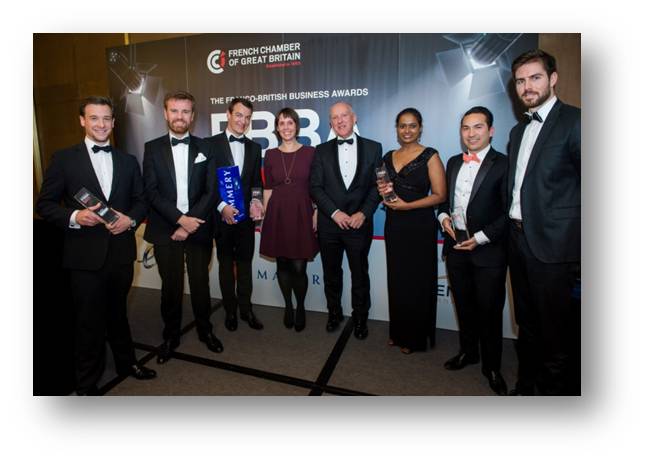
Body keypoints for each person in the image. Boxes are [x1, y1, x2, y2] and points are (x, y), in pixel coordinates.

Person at [36, 96, 156, 395]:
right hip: (84, 256)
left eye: (106, 118)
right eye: (94, 118)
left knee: (119, 313)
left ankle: (127, 363)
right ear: (82, 121)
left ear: (113, 122)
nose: (101, 124)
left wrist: (130, 220)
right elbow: (45, 204)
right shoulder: (64, 159)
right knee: (88, 321)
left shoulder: (128, 161)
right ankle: (87, 381)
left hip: (121, 252)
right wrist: (75, 216)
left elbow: (141, 201)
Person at [507, 49, 580, 395]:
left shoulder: (576, 121)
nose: (527, 87)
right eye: (520, 81)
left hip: (554, 246)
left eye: (535, 78)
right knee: (527, 323)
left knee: (556, 332)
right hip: (518, 241)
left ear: (553, 79)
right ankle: (526, 386)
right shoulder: (517, 131)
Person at [143, 91, 222, 364]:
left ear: (193, 115)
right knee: (171, 286)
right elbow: (151, 192)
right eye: (175, 111)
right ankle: (171, 336)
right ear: (165, 114)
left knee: (200, 283)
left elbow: (212, 191)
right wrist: (179, 219)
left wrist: (189, 224)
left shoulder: (206, 148)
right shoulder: (152, 148)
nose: (180, 116)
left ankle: (205, 330)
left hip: (198, 226)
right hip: (166, 227)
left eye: (185, 111)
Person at [438, 106, 508, 395]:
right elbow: (445, 202)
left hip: (488, 251)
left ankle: (492, 367)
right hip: (456, 248)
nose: (471, 133)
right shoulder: (454, 161)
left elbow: (509, 212)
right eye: (466, 128)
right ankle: (469, 352)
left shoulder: (504, 164)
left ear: (491, 131)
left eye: (478, 127)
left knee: (489, 312)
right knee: (464, 307)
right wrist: (443, 218)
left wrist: (480, 238)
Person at [310, 101, 382, 339]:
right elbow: (315, 187)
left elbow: (378, 186)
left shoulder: (373, 148)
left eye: (344, 115)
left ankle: (360, 318)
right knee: (331, 273)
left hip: (359, 225)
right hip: (329, 225)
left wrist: (364, 213)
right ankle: (334, 313)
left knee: (360, 274)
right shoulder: (320, 150)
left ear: (354, 118)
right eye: (335, 117)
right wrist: (334, 213)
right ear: (330, 123)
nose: (340, 121)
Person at [377, 108, 447, 353]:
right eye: (402, 126)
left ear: (420, 128)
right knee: (397, 279)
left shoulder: (430, 155)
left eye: (412, 125)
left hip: (419, 225)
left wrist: (407, 206)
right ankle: (398, 332)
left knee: (417, 280)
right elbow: (384, 188)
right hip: (394, 225)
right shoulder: (388, 156)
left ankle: (415, 338)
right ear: (397, 129)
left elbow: (440, 195)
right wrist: (384, 192)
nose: (407, 130)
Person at [205, 98, 264, 332]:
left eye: (247, 117)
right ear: (228, 114)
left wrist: (257, 202)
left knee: (246, 264)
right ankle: (230, 310)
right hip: (222, 218)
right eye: (239, 115)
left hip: (246, 220)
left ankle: (246, 309)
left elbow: (256, 183)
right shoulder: (210, 145)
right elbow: (205, 183)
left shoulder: (255, 148)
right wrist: (221, 206)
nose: (243, 121)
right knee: (226, 265)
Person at [259, 108, 318, 332]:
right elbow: (267, 188)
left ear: (297, 126)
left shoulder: (311, 152)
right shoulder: (270, 154)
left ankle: (300, 306)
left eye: (290, 123)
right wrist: (265, 218)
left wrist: (316, 212)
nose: (286, 127)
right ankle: (288, 306)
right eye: (281, 123)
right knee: (282, 263)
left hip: (302, 212)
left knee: (299, 266)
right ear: (276, 128)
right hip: (277, 213)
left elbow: (317, 186)